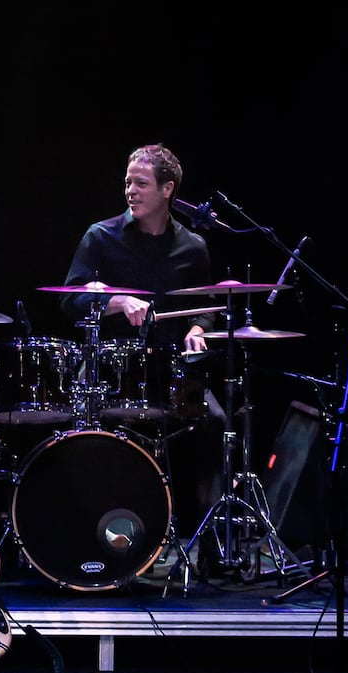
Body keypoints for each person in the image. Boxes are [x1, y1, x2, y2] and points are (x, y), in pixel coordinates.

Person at [58, 143, 230, 578]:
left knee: (214, 423)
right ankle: (89, 534)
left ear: (168, 189)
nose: (130, 190)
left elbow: (206, 306)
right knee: (90, 427)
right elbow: (71, 300)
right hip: (110, 368)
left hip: (169, 369)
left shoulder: (193, 247)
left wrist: (198, 329)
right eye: (128, 181)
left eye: (141, 183)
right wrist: (116, 301)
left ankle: (203, 541)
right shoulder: (101, 236)